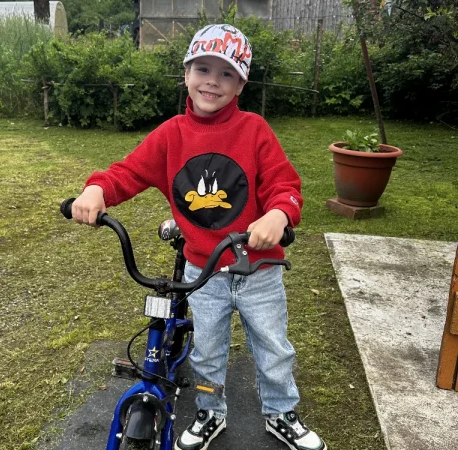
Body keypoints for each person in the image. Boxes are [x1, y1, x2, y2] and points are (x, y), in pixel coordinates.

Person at [70, 23, 326, 450]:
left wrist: (279, 214)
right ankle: (210, 411)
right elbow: (127, 172)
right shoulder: (172, 134)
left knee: (273, 348)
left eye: (226, 73)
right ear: (186, 73)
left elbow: (285, 185)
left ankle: (281, 412)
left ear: (241, 84)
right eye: (203, 69)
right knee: (206, 351)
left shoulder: (254, 130)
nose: (212, 81)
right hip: (202, 272)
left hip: (258, 270)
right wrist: (97, 189)